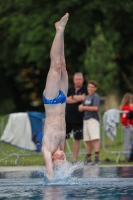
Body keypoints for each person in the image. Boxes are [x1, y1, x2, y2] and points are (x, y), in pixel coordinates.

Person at [41, 13, 69, 180]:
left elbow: (50, 173)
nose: (62, 159)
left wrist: (52, 177)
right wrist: (65, 170)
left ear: (52, 159)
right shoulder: (62, 147)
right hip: (63, 100)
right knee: (63, 65)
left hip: (51, 100)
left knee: (55, 66)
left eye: (59, 161)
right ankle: (61, 30)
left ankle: (59, 30)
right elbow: (65, 171)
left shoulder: (48, 148)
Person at [65, 72, 87, 164]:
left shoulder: (85, 89)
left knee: (77, 139)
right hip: (68, 118)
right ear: (74, 80)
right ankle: (61, 157)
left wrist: (72, 97)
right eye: (76, 79)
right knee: (63, 138)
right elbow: (66, 100)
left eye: (79, 79)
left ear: (82, 80)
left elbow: (84, 99)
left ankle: (74, 158)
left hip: (79, 119)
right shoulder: (69, 89)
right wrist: (78, 98)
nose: (78, 81)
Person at [78, 80, 100, 165]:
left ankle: (97, 159)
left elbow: (95, 108)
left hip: (93, 119)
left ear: (95, 88)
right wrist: (81, 107)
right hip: (86, 119)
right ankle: (88, 158)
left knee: (94, 139)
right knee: (87, 140)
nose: (90, 88)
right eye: (89, 87)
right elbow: (81, 107)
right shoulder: (86, 97)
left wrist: (84, 107)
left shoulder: (95, 96)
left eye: (92, 87)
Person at [119, 93, 133, 161]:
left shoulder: (129, 107)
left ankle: (130, 155)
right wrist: (128, 125)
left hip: (129, 127)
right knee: (127, 142)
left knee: (130, 142)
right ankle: (126, 157)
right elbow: (124, 119)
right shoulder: (125, 107)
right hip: (127, 127)